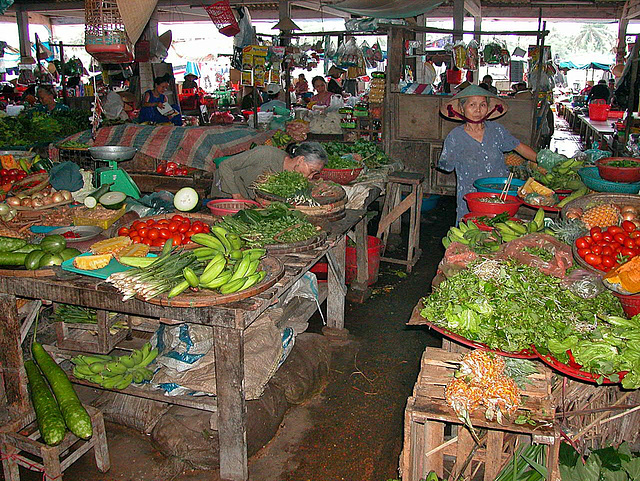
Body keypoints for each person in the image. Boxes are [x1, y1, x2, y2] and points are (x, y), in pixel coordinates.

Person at [438, 85, 538, 222]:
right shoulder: (455, 137)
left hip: (501, 198)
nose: (478, 110)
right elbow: (446, 166)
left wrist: (540, 160)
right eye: (472, 104)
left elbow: (519, 147)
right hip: (471, 202)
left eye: (483, 105)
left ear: (488, 108)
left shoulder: (497, 130)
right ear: (461, 109)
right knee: (471, 238)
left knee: (502, 235)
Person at [211, 141, 328, 200]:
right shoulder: (265, 154)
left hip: (247, 200)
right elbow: (225, 165)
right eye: (312, 171)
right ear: (300, 160)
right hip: (226, 192)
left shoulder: (292, 175)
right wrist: (237, 196)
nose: (311, 176)